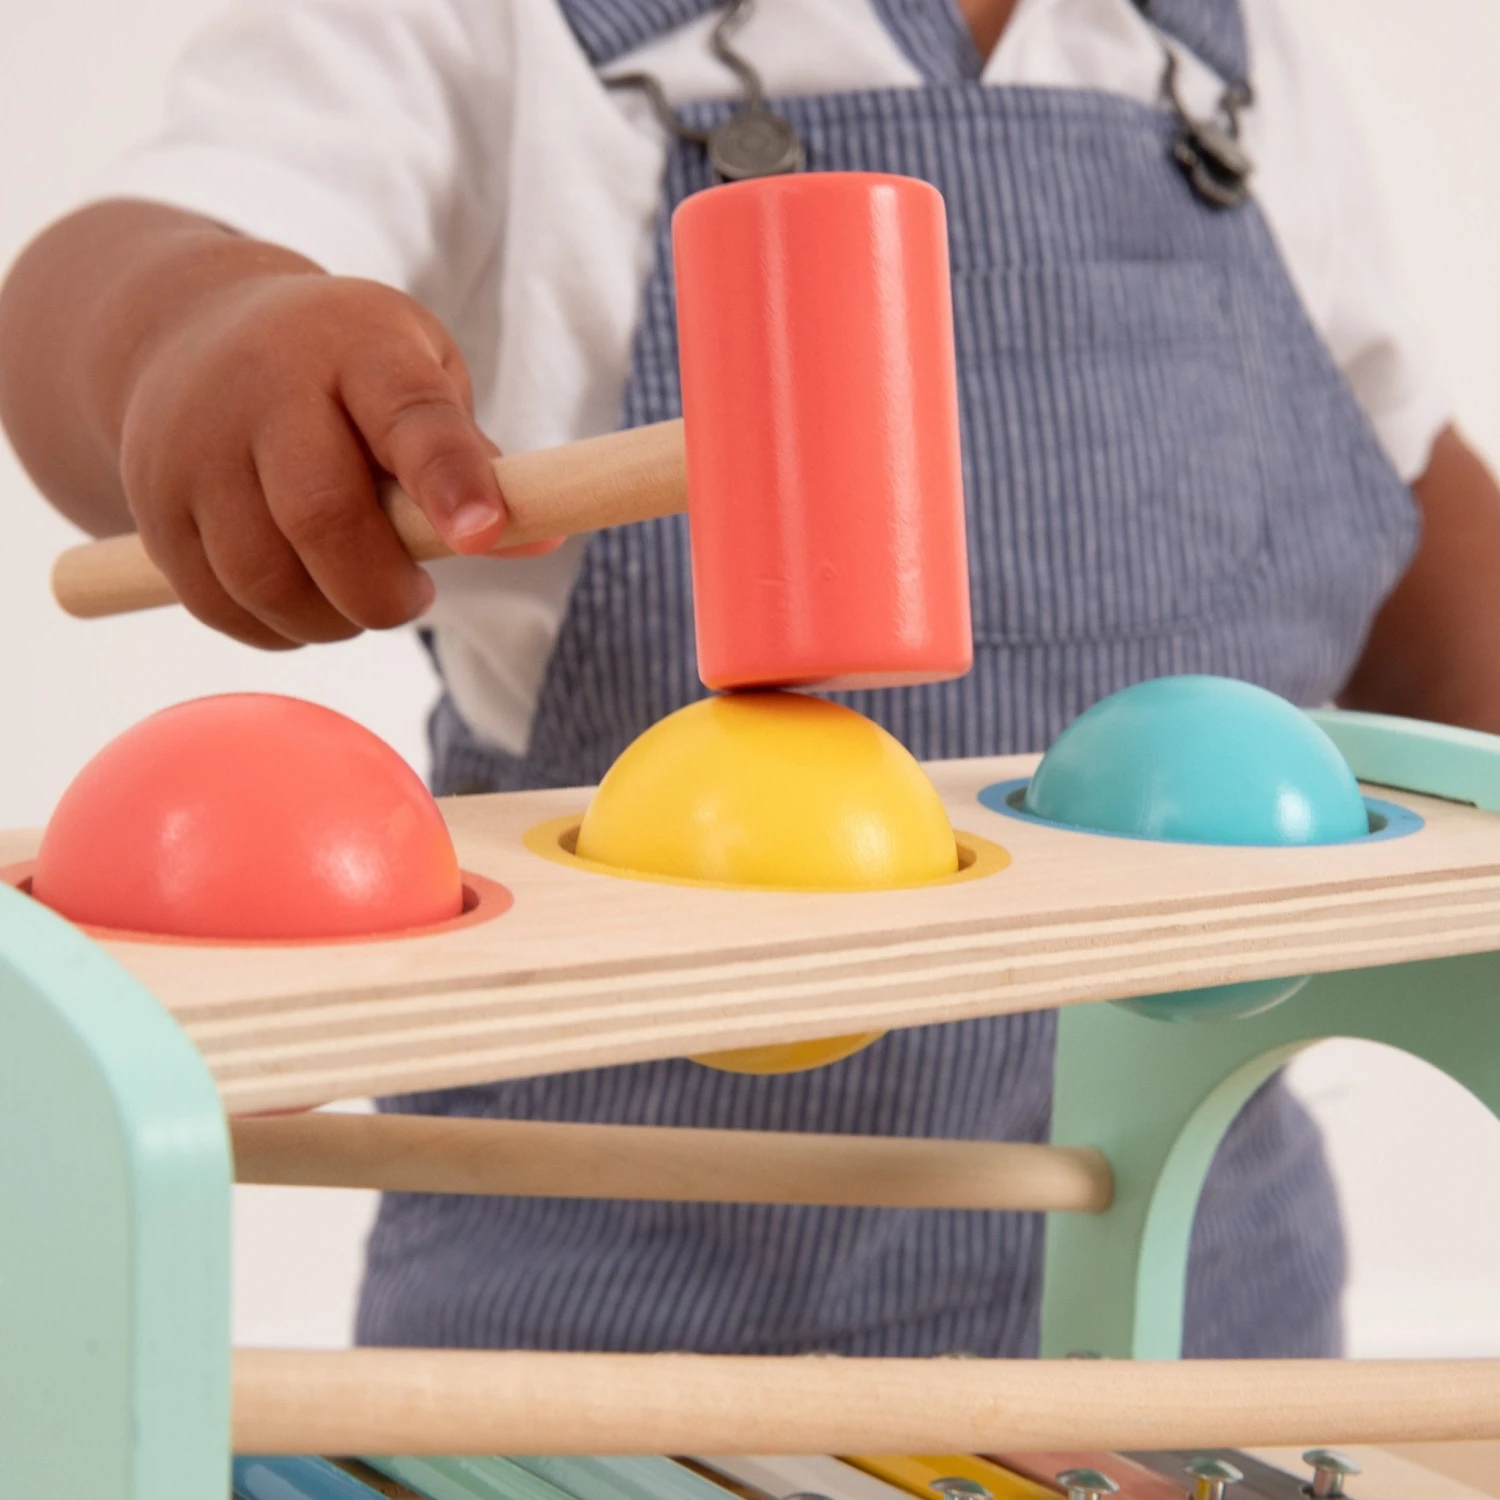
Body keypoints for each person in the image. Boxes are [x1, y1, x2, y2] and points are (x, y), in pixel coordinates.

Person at [3, 0, 1499, 1360]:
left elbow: (1415, 529)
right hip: (599, 1359)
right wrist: (194, 329)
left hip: (1199, 1315)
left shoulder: (1226, 60)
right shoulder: (467, 30)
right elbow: (96, 276)